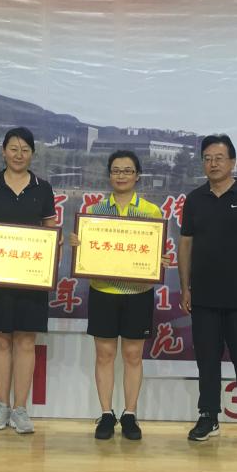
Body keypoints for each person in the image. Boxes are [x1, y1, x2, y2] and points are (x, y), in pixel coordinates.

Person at [178, 134, 237, 448]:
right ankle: (208, 417)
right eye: (207, 158)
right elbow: (186, 245)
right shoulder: (194, 200)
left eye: (219, 158)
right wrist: (185, 287)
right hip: (203, 295)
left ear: (232, 162)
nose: (213, 164)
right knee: (207, 360)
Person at [69, 150, 164, 441]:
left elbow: (154, 251)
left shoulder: (151, 212)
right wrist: (79, 245)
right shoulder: (95, 212)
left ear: (137, 176)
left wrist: (158, 259)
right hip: (103, 291)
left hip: (138, 293)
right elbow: (87, 252)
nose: (121, 176)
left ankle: (130, 414)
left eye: (127, 171)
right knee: (105, 354)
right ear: (109, 175)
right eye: (116, 170)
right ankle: (107, 414)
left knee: (133, 355)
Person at [0, 127, 57, 435]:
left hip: (31, 278)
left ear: (32, 154)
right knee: (1, 340)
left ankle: (20, 409)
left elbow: (51, 230)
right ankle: (1, 406)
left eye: (25, 150)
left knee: (25, 340)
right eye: (13, 149)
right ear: (3, 151)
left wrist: (53, 247)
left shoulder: (43, 188)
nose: (19, 155)